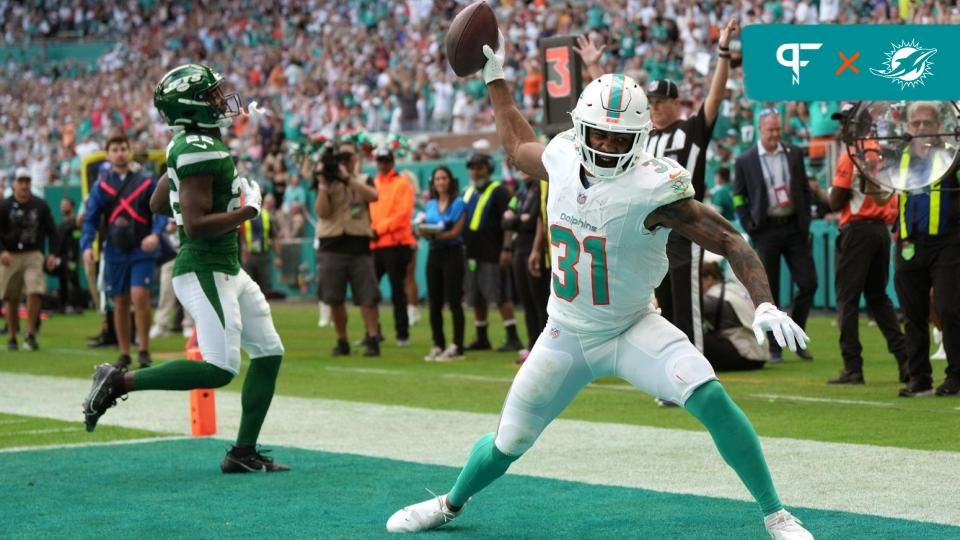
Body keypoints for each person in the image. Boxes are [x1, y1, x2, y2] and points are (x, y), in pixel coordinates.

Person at [386, 39, 813, 540]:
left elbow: (730, 240)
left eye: (620, 138)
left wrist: (762, 301)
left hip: (634, 325)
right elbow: (515, 142)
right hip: (566, 332)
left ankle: (776, 514)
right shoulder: (563, 157)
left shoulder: (656, 187)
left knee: (710, 395)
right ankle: (450, 503)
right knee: (509, 441)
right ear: (580, 128)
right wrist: (494, 77)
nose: (609, 146)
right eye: (601, 135)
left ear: (640, 137)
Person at [83, 63, 289, 474]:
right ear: (191, 104)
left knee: (268, 353)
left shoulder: (190, 142)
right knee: (218, 369)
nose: (221, 100)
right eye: (211, 94)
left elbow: (157, 203)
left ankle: (242, 452)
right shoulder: (198, 147)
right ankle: (117, 381)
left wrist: (193, 185)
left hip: (224, 265)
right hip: (205, 266)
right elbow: (193, 225)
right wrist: (246, 209)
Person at [577, 20, 737, 353]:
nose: (655, 105)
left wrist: (722, 53)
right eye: (651, 101)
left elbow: (715, 96)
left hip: (685, 228)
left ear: (676, 103)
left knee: (686, 306)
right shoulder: (643, 137)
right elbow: (612, 108)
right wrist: (594, 66)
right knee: (658, 310)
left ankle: (697, 373)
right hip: (650, 231)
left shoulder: (691, 131)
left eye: (661, 100)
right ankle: (668, 374)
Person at [875, 101, 960, 397]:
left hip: (948, 242)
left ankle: (955, 376)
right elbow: (880, 193)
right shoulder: (899, 156)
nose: (922, 128)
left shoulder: (953, 155)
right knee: (912, 314)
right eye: (916, 124)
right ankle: (919, 378)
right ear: (908, 127)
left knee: (950, 309)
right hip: (908, 242)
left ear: (939, 127)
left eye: (928, 123)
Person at [826, 104, 907, 385]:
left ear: (858, 124)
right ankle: (905, 359)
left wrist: (818, 192)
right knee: (878, 298)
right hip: (880, 231)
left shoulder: (852, 153)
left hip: (857, 230)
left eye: (846, 121)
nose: (842, 127)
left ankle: (853, 367)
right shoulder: (880, 151)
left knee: (847, 300)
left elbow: (835, 201)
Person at [733, 109, 819, 363]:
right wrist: (750, 225)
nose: (775, 134)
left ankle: (796, 335)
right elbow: (739, 196)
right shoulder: (745, 160)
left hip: (793, 227)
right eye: (770, 129)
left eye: (778, 129)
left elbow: (802, 186)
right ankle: (774, 347)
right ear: (760, 129)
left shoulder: (794, 153)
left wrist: (806, 220)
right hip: (766, 229)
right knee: (769, 292)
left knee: (808, 283)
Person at [81, 135, 168, 369]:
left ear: (129, 152)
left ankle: (144, 349)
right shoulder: (102, 186)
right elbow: (90, 219)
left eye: (123, 148)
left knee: (139, 295)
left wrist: (155, 234)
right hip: (115, 250)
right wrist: (87, 246)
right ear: (108, 154)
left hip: (142, 248)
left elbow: (160, 211)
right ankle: (124, 352)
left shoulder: (147, 182)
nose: (119, 153)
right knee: (119, 300)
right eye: (115, 149)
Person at [314, 139, 382, 357]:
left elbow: (373, 196)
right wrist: (324, 184)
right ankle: (341, 340)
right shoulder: (326, 182)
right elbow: (322, 212)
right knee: (334, 298)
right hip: (332, 244)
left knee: (367, 296)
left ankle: (372, 337)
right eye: (340, 158)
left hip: (358, 244)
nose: (344, 162)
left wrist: (347, 178)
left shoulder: (362, 179)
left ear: (355, 160)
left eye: (348, 157)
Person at [462, 152, 524, 352]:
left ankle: (512, 336)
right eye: (472, 168)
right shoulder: (469, 191)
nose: (475, 172)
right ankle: (482, 337)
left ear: (488, 169)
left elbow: (507, 223)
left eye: (479, 168)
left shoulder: (499, 191)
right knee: (476, 296)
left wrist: (506, 248)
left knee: (499, 295)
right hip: (473, 252)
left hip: (493, 251)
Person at [0, 168, 58, 351]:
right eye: (21, 181)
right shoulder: (4, 206)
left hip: (33, 253)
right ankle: (11, 336)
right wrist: (1, 251)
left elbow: (52, 231)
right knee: (11, 296)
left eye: (27, 181)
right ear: (14, 184)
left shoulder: (40, 205)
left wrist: (53, 254)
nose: (24, 185)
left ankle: (31, 333)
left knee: (35, 290)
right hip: (10, 255)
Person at [502, 168, 550, 365]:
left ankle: (543, 349)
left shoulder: (540, 188)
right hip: (519, 249)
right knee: (526, 302)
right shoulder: (521, 192)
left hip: (534, 248)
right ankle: (532, 346)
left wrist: (516, 219)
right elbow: (505, 220)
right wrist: (516, 220)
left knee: (540, 302)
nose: (522, 170)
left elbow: (532, 220)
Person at [419, 166, 467, 361]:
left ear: (450, 181)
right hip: (434, 253)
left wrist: (434, 234)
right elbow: (422, 228)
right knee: (434, 301)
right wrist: (422, 231)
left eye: (444, 178)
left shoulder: (458, 204)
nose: (440, 182)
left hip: (452, 253)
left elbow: (455, 232)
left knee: (454, 301)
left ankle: (457, 345)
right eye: (437, 179)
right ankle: (438, 344)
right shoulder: (430, 204)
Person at [369, 147, 416, 346]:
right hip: (375, 244)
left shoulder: (402, 183)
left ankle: (402, 333)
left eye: (385, 160)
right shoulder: (374, 183)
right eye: (380, 160)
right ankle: (373, 332)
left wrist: (378, 228)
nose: (382, 164)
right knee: (369, 292)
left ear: (391, 161)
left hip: (395, 244)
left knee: (398, 290)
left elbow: (403, 214)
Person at [701, 253, 769, 371]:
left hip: (745, 356)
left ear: (708, 279)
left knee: (692, 335)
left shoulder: (713, 298)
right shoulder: (735, 289)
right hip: (760, 355)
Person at [239, 200, 281, 293]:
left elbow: (274, 237)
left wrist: (278, 256)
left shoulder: (267, 216)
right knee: (247, 287)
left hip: (263, 255)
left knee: (263, 286)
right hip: (248, 255)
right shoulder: (243, 215)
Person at [54, 197, 84, 313]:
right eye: (62, 205)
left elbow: (76, 239)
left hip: (71, 257)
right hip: (61, 257)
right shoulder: (61, 224)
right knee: (62, 280)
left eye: (66, 204)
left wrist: (72, 256)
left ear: (71, 206)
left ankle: (78, 306)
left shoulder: (75, 223)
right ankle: (62, 305)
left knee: (73, 279)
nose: (63, 207)